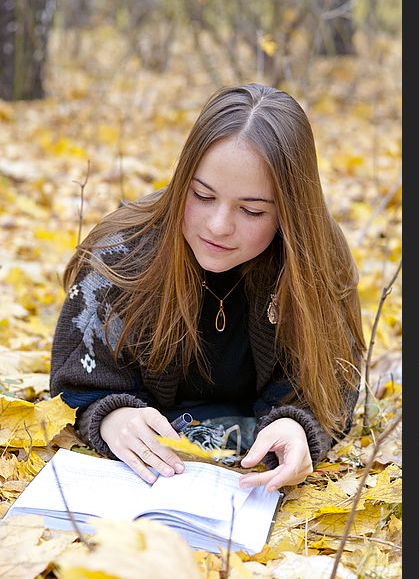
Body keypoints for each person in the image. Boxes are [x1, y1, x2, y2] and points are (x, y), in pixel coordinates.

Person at [50, 83, 366, 494]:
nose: (218, 226)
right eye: (202, 195)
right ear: (183, 181)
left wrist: (296, 425)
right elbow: (76, 377)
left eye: (251, 210)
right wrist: (112, 418)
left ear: (289, 211)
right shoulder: (121, 251)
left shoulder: (317, 258)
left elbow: (332, 380)